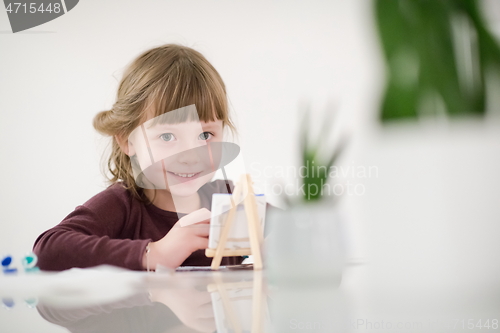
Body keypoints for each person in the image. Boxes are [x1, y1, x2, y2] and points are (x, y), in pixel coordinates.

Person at [33, 44, 244, 271]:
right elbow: (48, 250)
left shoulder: (231, 200)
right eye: (167, 136)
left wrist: (278, 245)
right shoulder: (122, 206)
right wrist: (154, 253)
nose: (191, 157)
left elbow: (287, 227)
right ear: (128, 141)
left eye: (205, 135)